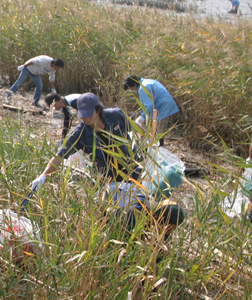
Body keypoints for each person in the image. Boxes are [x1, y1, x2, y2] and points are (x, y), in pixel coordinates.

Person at [27, 93, 185, 237]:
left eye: (89, 115)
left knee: (143, 206)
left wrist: (149, 141)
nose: (86, 119)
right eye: (83, 116)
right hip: (107, 178)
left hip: (132, 171)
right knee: (117, 212)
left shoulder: (115, 116)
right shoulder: (80, 133)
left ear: (97, 110)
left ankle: (150, 234)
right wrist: (44, 175)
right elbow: (59, 156)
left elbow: (135, 128)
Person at [122, 75, 179, 145]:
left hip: (163, 106)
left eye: (130, 88)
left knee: (160, 126)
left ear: (134, 84)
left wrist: (142, 117)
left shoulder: (143, 88)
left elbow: (149, 105)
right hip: (162, 105)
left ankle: (160, 146)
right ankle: (154, 143)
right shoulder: (147, 82)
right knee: (155, 126)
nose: (131, 90)